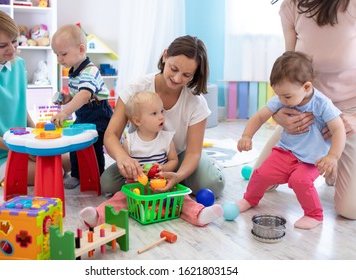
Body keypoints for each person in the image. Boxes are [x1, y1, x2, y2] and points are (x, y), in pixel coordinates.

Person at [261, 0, 356, 220]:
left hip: (347, 115)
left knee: (349, 211)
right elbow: (289, 73)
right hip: (308, 113)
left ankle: (337, 159)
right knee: (262, 181)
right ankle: (331, 162)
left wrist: (354, 119)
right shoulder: (291, 7)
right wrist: (280, 115)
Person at [100, 35, 225, 199]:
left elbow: (193, 153)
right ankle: (180, 179)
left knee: (211, 184)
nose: (177, 78)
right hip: (140, 161)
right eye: (174, 69)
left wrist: (178, 176)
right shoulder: (136, 88)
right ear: (165, 56)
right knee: (108, 183)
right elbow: (111, 135)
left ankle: (195, 173)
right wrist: (123, 158)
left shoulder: (196, 103)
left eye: (187, 75)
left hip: (177, 157)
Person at [80, 90, 224, 227]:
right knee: (118, 199)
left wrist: (164, 168)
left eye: (161, 111)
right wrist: (129, 171)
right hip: (136, 188)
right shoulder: (129, 141)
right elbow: (123, 166)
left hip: (162, 185)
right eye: (154, 113)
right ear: (137, 121)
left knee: (182, 199)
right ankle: (97, 216)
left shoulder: (166, 138)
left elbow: (173, 161)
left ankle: (199, 214)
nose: (161, 116)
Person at [237, 51, 346, 229]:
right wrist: (247, 136)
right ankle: (249, 199)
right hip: (286, 151)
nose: (282, 100)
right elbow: (259, 117)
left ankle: (314, 215)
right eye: (278, 94)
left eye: (286, 96)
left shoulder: (322, 104)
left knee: (299, 181)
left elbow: (338, 129)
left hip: (312, 159)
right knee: (261, 173)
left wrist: (332, 156)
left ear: (307, 87)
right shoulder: (283, 98)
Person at [0, 9, 70, 185]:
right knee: (54, 171)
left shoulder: (19, 65)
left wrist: (37, 137)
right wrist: (18, 148)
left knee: (69, 159)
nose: (12, 49)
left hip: (18, 146)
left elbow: (20, 108)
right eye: (2, 45)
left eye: (14, 41)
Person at [50, 24, 113, 189]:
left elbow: (85, 95)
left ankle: (96, 175)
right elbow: (78, 94)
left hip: (98, 113)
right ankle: (77, 174)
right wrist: (67, 98)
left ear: (81, 49)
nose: (59, 59)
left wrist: (65, 112)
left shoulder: (89, 71)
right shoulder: (74, 71)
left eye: (63, 54)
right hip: (84, 113)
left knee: (93, 145)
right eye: (56, 55)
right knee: (75, 142)